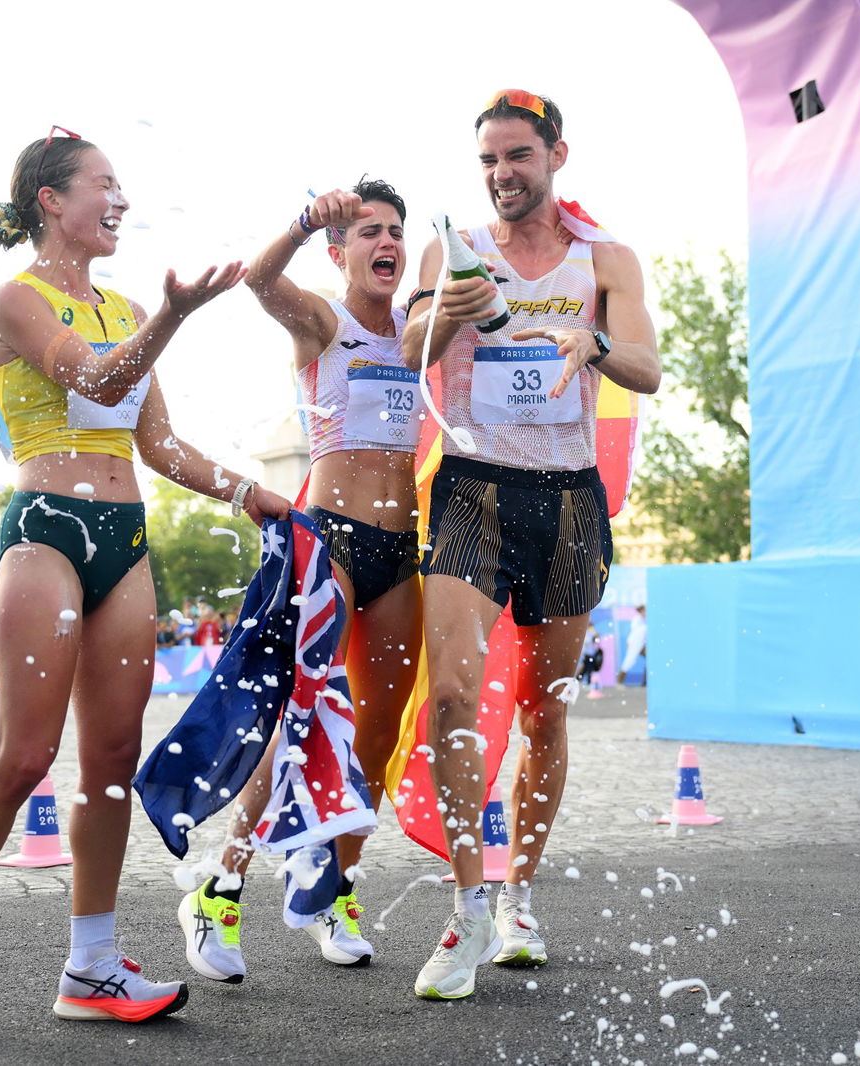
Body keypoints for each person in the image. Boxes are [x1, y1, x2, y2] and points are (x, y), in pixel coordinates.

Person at [0, 127, 289, 1027]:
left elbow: (157, 444)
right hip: (46, 537)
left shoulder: (118, 308)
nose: (120, 200)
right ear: (51, 201)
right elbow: (99, 382)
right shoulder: (17, 300)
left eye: (123, 186)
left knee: (111, 760)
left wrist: (254, 492)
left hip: (126, 537)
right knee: (26, 756)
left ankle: (93, 968)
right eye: (103, 185)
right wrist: (175, 315)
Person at [401, 90, 660, 1000]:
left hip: (570, 499)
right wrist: (445, 312)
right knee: (455, 694)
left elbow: (649, 369)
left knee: (546, 713)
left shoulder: (606, 258)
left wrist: (587, 341)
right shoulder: (453, 251)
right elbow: (407, 355)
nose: (502, 175)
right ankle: (467, 908)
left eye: (517, 156)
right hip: (473, 485)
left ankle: (520, 896)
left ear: (556, 156)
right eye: (487, 161)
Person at [175, 179, 422, 984]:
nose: (383, 242)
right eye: (367, 233)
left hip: (401, 550)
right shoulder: (324, 319)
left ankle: (335, 891)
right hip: (332, 542)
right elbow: (256, 281)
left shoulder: (421, 332)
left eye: (394, 231)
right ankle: (221, 888)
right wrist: (304, 217)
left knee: (377, 737)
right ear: (340, 251)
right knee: (300, 722)